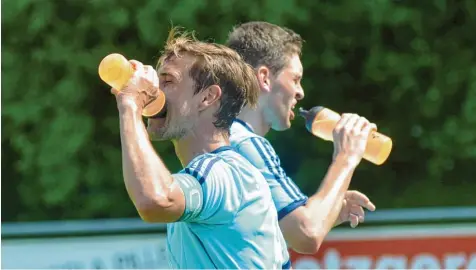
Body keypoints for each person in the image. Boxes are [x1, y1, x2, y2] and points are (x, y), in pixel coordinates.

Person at [111, 27, 290, 269]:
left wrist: (130, 104)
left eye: (167, 81)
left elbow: (156, 200)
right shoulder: (228, 174)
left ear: (208, 98)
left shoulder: (222, 171)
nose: (154, 91)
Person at [226, 21, 377, 254]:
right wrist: (346, 156)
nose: (300, 92)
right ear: (264, 78)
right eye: (295, 79)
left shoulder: (222, 138)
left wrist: (325, 210)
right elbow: (308, 234)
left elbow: (241, 243)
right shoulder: (247, 144)